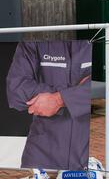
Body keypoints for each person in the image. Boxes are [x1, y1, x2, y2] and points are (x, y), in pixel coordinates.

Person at [6, 41, 92, 171]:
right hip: (42, 155)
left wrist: (60, 99)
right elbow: (16, 91)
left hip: (89, 154)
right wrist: (76, 93)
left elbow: (105, 88)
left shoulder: (98, 38)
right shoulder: (33, 42)